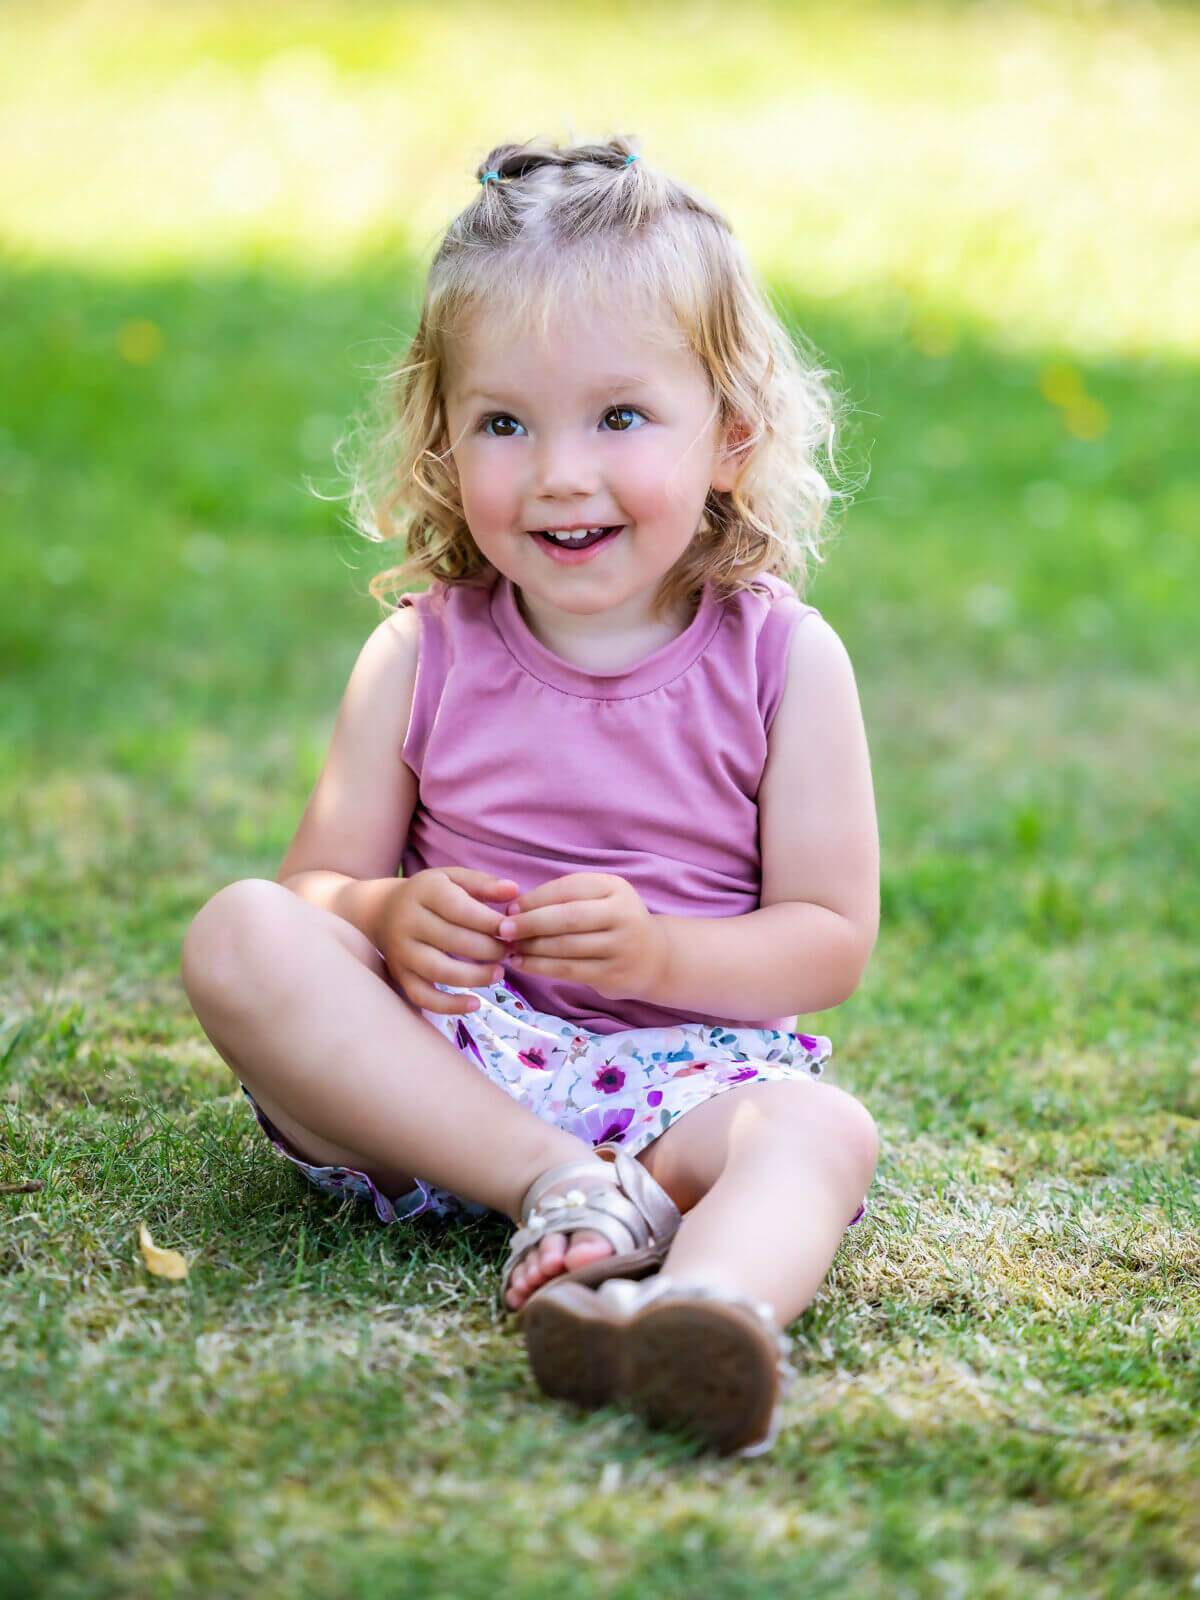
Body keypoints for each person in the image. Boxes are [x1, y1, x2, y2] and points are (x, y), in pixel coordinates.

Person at [180, 136, 880, 1458]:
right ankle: (549, 1185)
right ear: (444, 446)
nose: (559, 472)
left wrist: (663, 953)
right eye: (506, 422)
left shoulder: (785, 658)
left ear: (732, 435)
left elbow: (829, 939)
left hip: (685, 1091)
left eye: (620, 418)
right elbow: (309, 891)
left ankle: (704, 1307)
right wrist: (384, 915)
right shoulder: (423, 650)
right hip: (446, 1077)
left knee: (818, 1129)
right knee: (237, 932)